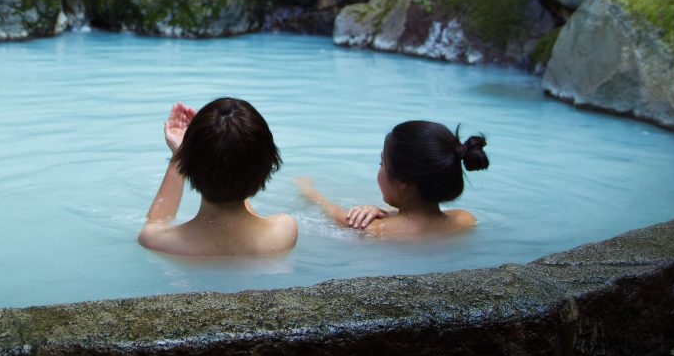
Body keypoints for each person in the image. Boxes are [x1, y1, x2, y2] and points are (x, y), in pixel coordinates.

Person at [138, 97, 298, 256]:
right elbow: (241, 179)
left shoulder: (159, 243)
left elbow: (154, 224)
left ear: (187, 169)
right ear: (268, 167)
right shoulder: (284, 231)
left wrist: (178, 157)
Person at [296, 120, 488, 239]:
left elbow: (329, 210)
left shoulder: (372, 229)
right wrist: (388, 212)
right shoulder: (465, 220)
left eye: (382, 162)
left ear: (402, 180)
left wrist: (308, 189)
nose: (380, 169)